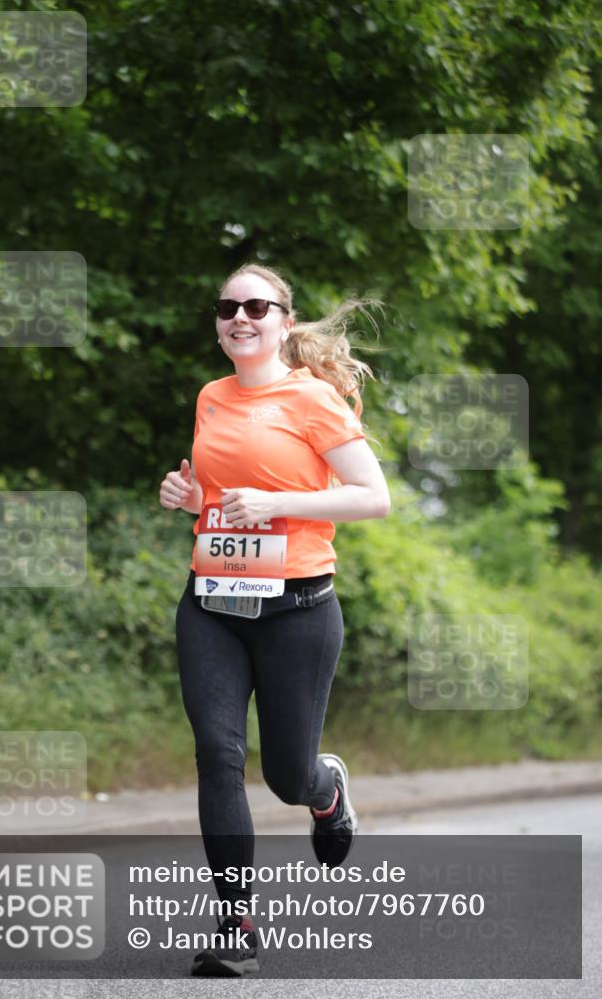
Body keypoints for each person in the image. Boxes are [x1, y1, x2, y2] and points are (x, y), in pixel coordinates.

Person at [159, 262, 390, 977]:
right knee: (218, 757)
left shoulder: (314, 400)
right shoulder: (210, 396)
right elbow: (216, 497)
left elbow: (370, 497)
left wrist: (276, 505)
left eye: (256, 306)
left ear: (283, 321)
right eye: (227, 306)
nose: (239, 317)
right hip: (213, 606)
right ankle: (237, 927)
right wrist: (187, 493)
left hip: (297, 610)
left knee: (286, 776)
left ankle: (326, 792)